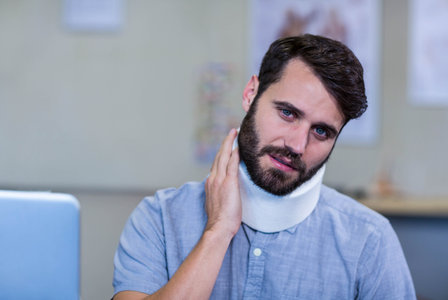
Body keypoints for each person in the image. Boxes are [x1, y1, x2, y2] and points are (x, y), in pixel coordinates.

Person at [112, 34, 416, 299]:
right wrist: (218, 232)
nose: (297, 145)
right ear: (250, 94)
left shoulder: (370, 241)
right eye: (287, 113)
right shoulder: (159, 219)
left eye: (321, 131)